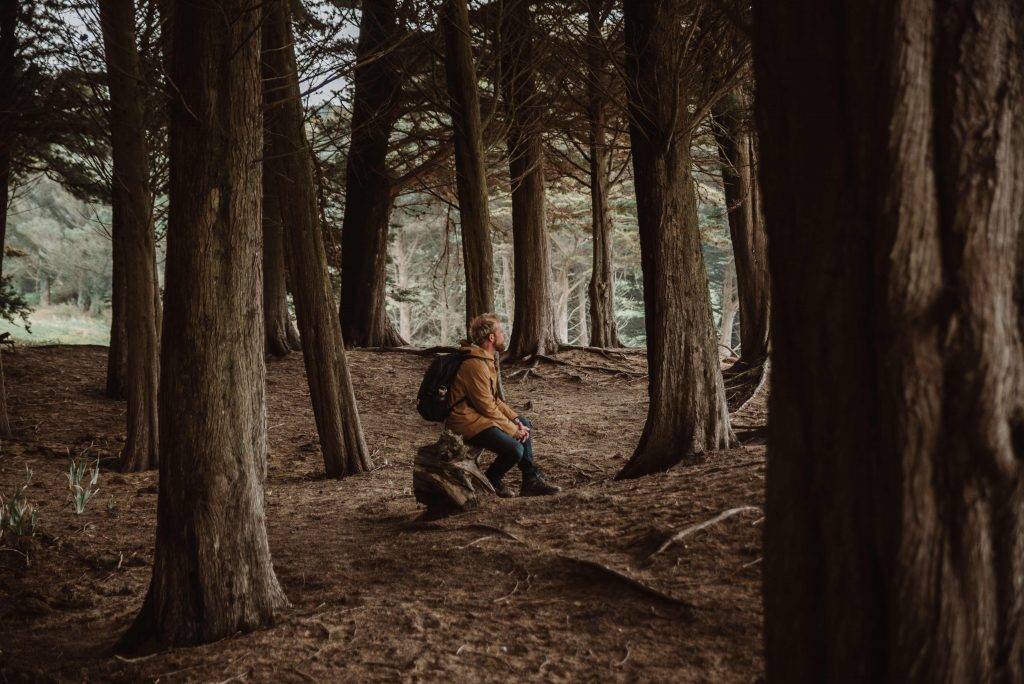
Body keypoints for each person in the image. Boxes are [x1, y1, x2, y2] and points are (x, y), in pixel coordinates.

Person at [445, 313, 561, 498]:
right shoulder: (475, 364)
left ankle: (531, 480)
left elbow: (495, 400)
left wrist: (515, 420)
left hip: (478, 417)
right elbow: (486, 407)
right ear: (491, 337)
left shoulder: (485, 359)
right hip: (465, 421)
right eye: (501, 331)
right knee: (515, 449)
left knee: (524, 421)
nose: (504, 335)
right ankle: (492, 479)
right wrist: (513, 430)